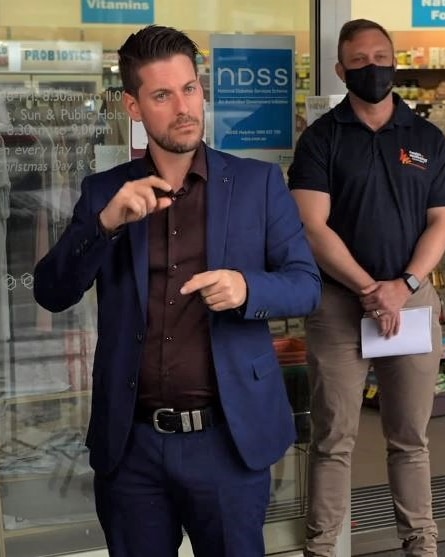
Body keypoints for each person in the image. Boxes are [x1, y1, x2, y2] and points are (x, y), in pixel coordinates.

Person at [32, 25, 321, 557]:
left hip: (227, 441)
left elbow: (305, 287)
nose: (183, 106)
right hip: (132, 446)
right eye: (162, 95)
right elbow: (52, 292)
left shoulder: (257, 184)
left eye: (190, 88)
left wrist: (246, 287)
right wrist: (105, 224)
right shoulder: (105, 192)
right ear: (134, 106)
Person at [287, 18, 445, 557]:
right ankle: (323, 547)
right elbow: (312, 226)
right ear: (340, 70)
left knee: (410, 438)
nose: (372, 68)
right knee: (334, 439)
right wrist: (370, 288)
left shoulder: (427, 137)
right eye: (358, 61)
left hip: (411, 301)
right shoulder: (321, 139)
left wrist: (403, 285)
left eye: (381, 56)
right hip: (340, 305)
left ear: (395, 61)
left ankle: (421, 543)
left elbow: (442, 221)